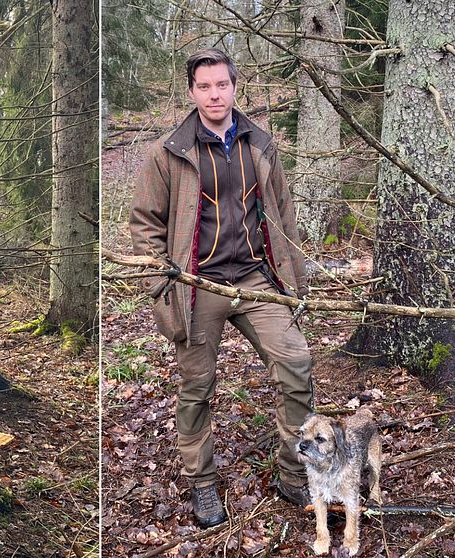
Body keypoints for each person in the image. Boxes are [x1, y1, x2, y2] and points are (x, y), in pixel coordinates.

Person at [128, 48, 313, 528]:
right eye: (204, 86)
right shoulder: (170, 152)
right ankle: (203, 482)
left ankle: (294, 473)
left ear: (235, 87)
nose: (215, 94)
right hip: (197, 284)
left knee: (296, 364)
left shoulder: (260, 146)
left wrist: (295, 281)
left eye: (222, 85)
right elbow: (145, 223)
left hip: (256, 279)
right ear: (192, 92)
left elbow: (284, 217)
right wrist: (161, 281)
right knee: (197, 388)